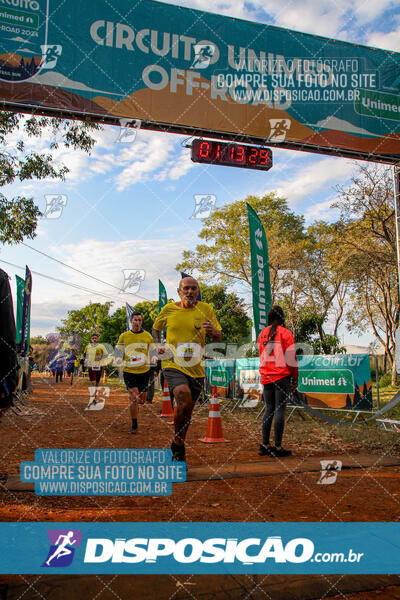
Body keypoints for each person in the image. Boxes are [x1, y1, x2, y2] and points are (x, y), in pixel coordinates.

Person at [152, 276, 222, 462]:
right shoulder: (168, 309)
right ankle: (179, 446)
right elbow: (156, 329)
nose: (190, 292)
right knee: (183, 396)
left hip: (196, 367)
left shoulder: (206, 309)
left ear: (197, 291)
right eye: (186, 288)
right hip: (172, 363)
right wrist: (158, 344)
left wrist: (212, 331)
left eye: (193, 288)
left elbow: (218, 336)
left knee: (187, 411)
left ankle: (178, 444)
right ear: (179, 291)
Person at [257, 305, 298, 458]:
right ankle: (278, 447)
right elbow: (291, 358)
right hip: (281, 376)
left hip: (266, 376)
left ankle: (265, 445)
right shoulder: (286, 333)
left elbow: (261, 354)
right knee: (280, 409)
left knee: (269, 409)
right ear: (282, 318)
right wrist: (295, 377)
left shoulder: (262, 333)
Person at [116, 311, 155, 433]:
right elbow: (118, 350)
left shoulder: (147, 336)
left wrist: (154, 358)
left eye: (139, 320)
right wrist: (118, 358)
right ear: (131, 321)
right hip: (129, 370)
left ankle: (137, 407)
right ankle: (134, 424)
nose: (137, 322)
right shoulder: (124, 336)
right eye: (135, 320)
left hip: (144, 371)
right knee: (133, 397)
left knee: (141, 400)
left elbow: (153, 350)